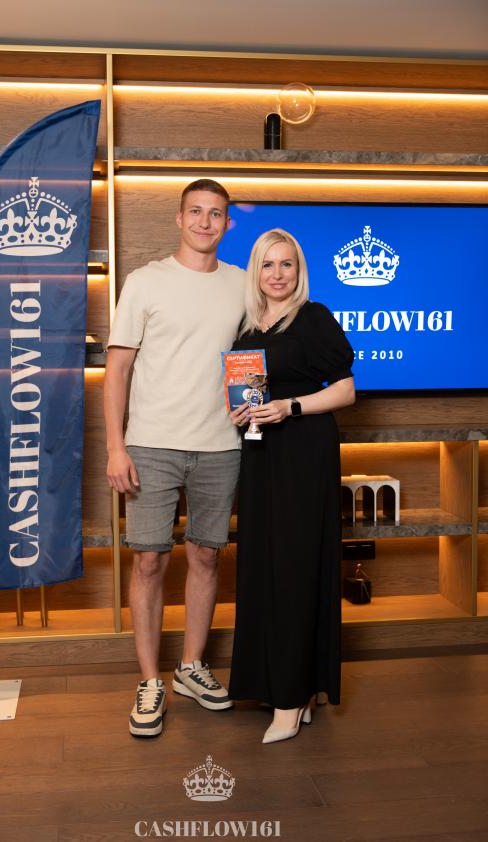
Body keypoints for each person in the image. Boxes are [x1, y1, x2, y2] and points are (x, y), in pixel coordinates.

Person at [104, 179, 245, 738]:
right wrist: (116, 447)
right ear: (179, 219)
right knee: (148, 562)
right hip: (151, 445)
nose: (206, 222)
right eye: (196, 212)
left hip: (221, 444)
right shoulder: (145, 281)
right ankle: (149, 680)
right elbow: (117, 370)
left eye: (216, 214)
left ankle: (190, 667)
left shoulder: (242, 284)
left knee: (207, 557)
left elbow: (258, 358)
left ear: (227, 223)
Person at [228, 228, 355, 744]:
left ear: (299, 271)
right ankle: (289, 689)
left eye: (287, 264)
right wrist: (240, 412)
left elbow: (345, 390)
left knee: (297, 568)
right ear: (256, 272)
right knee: (264, 566)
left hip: (304, 452)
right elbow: (248, 392)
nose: (277, 274)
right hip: (260, 454)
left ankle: (291, 695)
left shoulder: (313, 317)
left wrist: (291, 406)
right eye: (267, 264)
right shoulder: (247, 327)